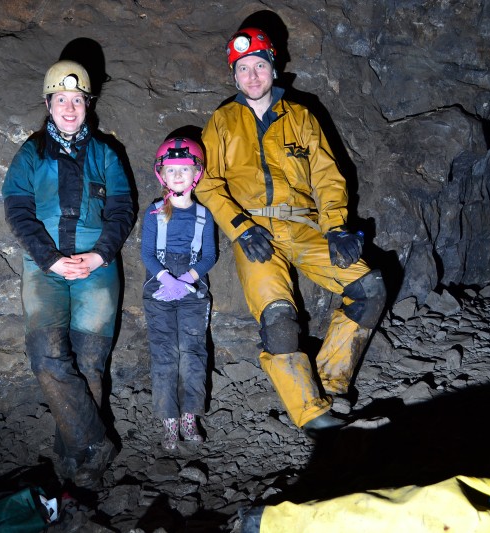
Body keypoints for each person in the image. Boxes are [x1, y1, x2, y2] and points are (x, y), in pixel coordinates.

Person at [195, 28, 387, 436]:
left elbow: (327, 177)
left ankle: (331, 384)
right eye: (243, 68)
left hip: (304, 226)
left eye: (259, 66)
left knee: (370, 288)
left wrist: (336, 228)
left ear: (273, 67)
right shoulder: (223, 120)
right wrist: (241, 229)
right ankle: (311, 414)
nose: (252, 76)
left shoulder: (301, 116)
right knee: (279, 317)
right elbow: (207, 183)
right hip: (255, 231)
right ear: (234, 75)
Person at [2, 59, 134, 485]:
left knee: (90, 360)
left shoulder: (106, 154)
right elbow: (18, 209)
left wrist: (99, 255)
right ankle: (94, 445)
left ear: (87, 103)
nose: (70, 107)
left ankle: (74, 456)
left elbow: (121, 209)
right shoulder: (31, 153)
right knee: (46, 355)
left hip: (97, 265)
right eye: (62, 99)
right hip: (46, 267)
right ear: (48, 103)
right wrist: (51, 258)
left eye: (77, 99)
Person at [140, 137, 217, 451]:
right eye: (171, 170)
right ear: (162, 174)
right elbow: (147, 253)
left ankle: (189, 416)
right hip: (159, 286)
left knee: (192, 352)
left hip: (192, 288)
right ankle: (168, 421)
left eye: (184, 169)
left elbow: (209, 255)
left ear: (196, 173)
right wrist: (165, 279)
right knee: (164, 354)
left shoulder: (204, 215)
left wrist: (185, 280)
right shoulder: (155, 212)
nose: (178, 175)